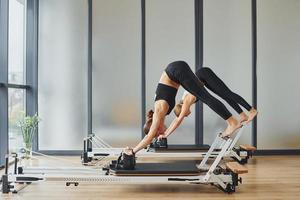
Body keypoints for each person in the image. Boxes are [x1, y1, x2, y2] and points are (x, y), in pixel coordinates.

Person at [124, 61, 244, 155]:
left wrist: (133, 151)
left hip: (176, 70)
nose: (159, 134)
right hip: (177, 70)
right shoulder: (161, 115)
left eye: (157, 133)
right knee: (204, 95)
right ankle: (233, 119)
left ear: (154, 128)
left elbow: (149, 136)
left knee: (205, 97)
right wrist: (165, 134)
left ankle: (232, 122)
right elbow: (153, 134)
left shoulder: (159, 112)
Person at [158, 67, 258, 141]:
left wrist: (166, 134)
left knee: (227, 93)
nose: (187, 115)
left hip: (203, 74)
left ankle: (251, 110)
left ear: (182, 110)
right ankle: (243, 115)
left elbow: (178, 120)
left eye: (185, 114)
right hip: (203, 78)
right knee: (225, 95)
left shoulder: (187, 100)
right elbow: (178, 118)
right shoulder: (187, 100)